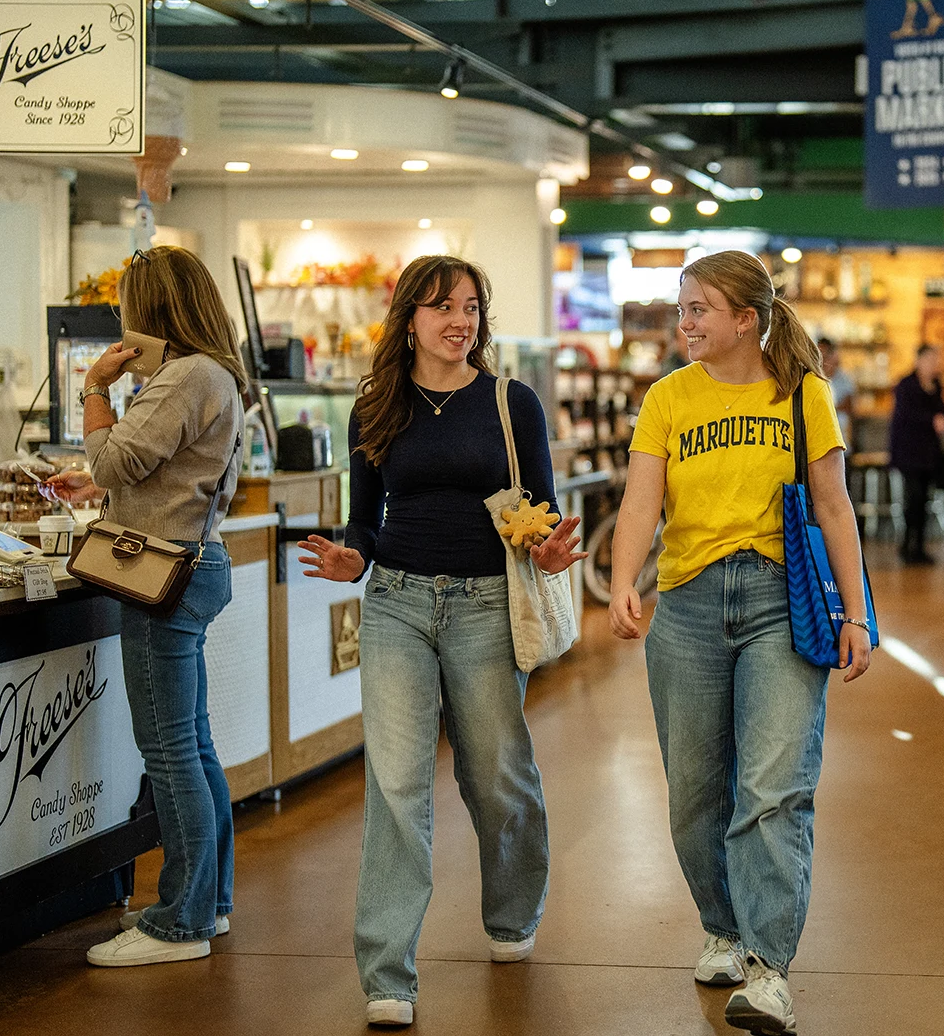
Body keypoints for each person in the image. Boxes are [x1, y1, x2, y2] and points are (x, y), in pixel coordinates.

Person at [295, 255, 586, 1029]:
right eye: (440, 307)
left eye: (470, 307)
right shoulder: (374, 407)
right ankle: (388, 970)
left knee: (496, 776)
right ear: (410, 319)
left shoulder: (509, 401)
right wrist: (354, 554)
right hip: (393, 602)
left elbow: (544, 508)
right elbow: (365, 517)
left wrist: (551, 548)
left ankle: (512, 914)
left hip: (487, 604)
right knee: (395, 784)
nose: (459, 320)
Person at [607, 250, 873, 1036]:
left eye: (698, 310)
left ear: (745, 320)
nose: (683, 323)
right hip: (686, 602)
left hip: (778, 601)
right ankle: (721, 926)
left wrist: (856, 613)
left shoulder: (803, 396)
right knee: (694, 790)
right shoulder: (667, 398)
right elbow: (639, 500)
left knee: (773, 784)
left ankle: (767, 967)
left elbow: (834, 507)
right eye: (680, 309)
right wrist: (626, 578)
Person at [41, 246, 247, 967]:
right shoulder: (216, 373)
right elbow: (152, 469)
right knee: (193, 744)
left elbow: (112, 460)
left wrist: (95, 386)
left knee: (168, 749)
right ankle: (209, 901)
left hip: (165, 575)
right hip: (196, 563)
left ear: (150, 307)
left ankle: (179, 920)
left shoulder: (185, 374)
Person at [888, 343, 944, 564]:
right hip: (909, 453)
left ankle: (919, 545)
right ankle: (907, 544)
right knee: (912, 499)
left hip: (928, 453)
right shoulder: (906, 385)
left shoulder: (936, 385)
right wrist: (932, 420)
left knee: (924, 499)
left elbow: (943, 410)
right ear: (919, 360)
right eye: (931, 360)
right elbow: (905, 416)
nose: (934, 365)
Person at [818, 336, 857, 455]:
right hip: (818, 442)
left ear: (833, 356)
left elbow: (849, 408)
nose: (822, 361)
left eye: (825, 356)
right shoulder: (812, 379)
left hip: (841, 440)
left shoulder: (844, 380)